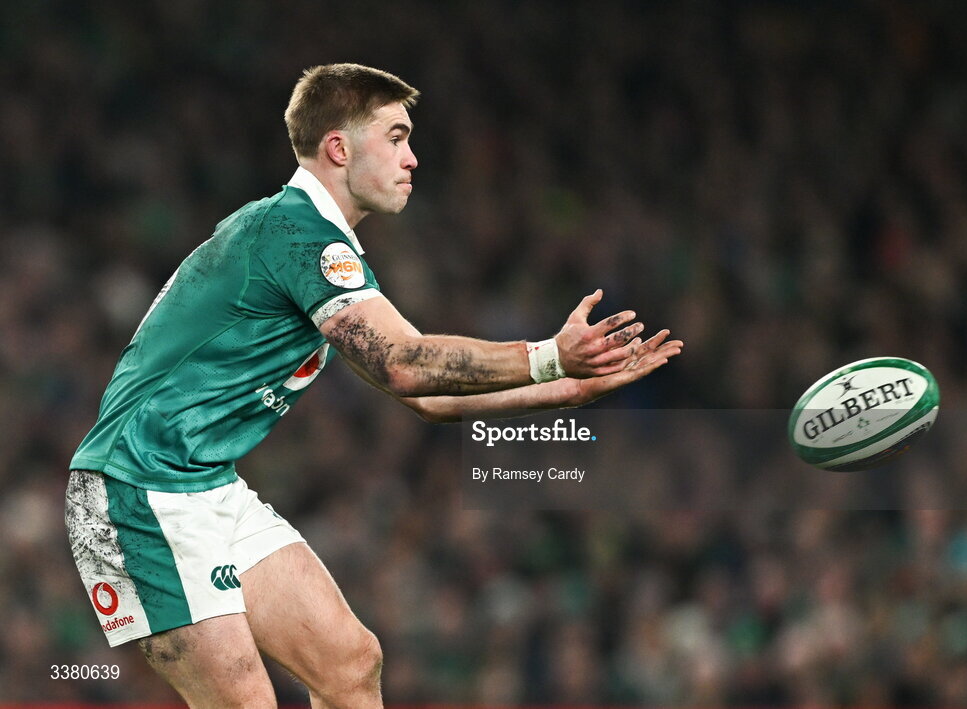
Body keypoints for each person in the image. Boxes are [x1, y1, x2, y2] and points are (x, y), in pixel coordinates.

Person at [65, 63, 683, 708]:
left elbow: (427, 398)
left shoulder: (318, 241)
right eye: (395, 137)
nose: (413, 158)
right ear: (339, 147)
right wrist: (547, 354)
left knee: (350, 664)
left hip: (204, 485)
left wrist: (564, 389)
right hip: (133, 492)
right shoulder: (296, 232)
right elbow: (404, 363)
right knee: (245, 701)